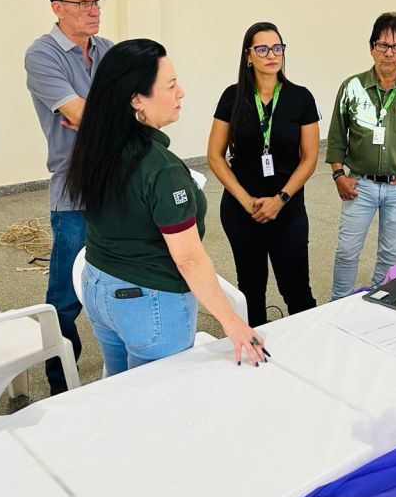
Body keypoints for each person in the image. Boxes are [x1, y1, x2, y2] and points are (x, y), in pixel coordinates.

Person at [65, 39, 267, 373]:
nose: (181, 92)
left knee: (118, 389)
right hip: (148, 303)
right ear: (136, 99)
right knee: (159, 403)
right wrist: (233, 323)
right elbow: (188, 258)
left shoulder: (98, 144)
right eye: (171, 86)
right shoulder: (162, 168)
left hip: (99, 289)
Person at [25, 0, 115, 394]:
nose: (94, 10)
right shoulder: (42, 54)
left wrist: (97, 117)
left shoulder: (109, 50)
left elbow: (138, 109)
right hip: (74, 190)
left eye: (97, 1)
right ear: (58, 7)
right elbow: (80, 114)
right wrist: (104, 115)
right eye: (83, 3)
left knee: (119, 278)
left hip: (117, 186)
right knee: (65, 297)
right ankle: (61, 385)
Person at [207, 22, 320, 327]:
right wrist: (245, 200)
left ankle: (307, 352)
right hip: (243, 208)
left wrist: (281, 199)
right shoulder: (232, 97)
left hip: (288, 205)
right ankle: (258, 357)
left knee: (297, 290)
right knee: (251, 290)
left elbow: (310, 158)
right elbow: (214, 156)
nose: (272, 54)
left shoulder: (301, 98)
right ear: (248, 56)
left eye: (277, 47)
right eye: (263, 49)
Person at [326, 12, 396, 299]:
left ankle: (380, 301)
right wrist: (339, 175)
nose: (389, 53)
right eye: (382, 45)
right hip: (359, 185)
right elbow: (338, 136)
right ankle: (338, 303)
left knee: (391, 254)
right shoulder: (352, 86)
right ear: (371, 46)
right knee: (347, 251)